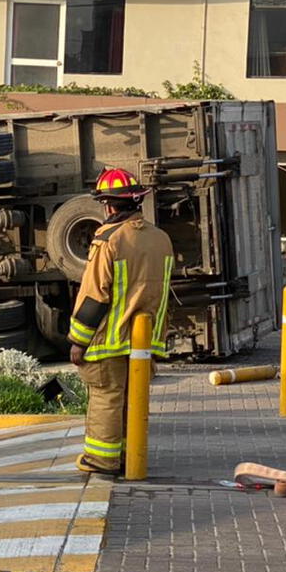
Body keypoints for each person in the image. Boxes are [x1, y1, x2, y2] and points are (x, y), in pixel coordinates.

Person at [67, 168, 173, 476]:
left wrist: (78, 340)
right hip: (145, 342)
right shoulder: (161, 239)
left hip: (109, 341)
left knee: (106, 398)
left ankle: (101, 460)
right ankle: (129, 455)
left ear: (109, 206)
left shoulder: (108, 239)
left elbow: (94, 294)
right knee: (132, 400)